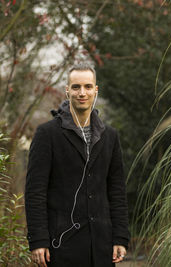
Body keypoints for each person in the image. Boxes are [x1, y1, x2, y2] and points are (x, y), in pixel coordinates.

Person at [25, 63, 130, 267]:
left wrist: (120, 237)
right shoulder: (47, 134)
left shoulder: (110, 136)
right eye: (76, 87)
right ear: (67, 90)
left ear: (95, 90)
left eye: (88, 87)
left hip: (101, 247)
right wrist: (38, 240)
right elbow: (35, 191)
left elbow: (116, 190)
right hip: (61, 246)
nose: (82, 93)